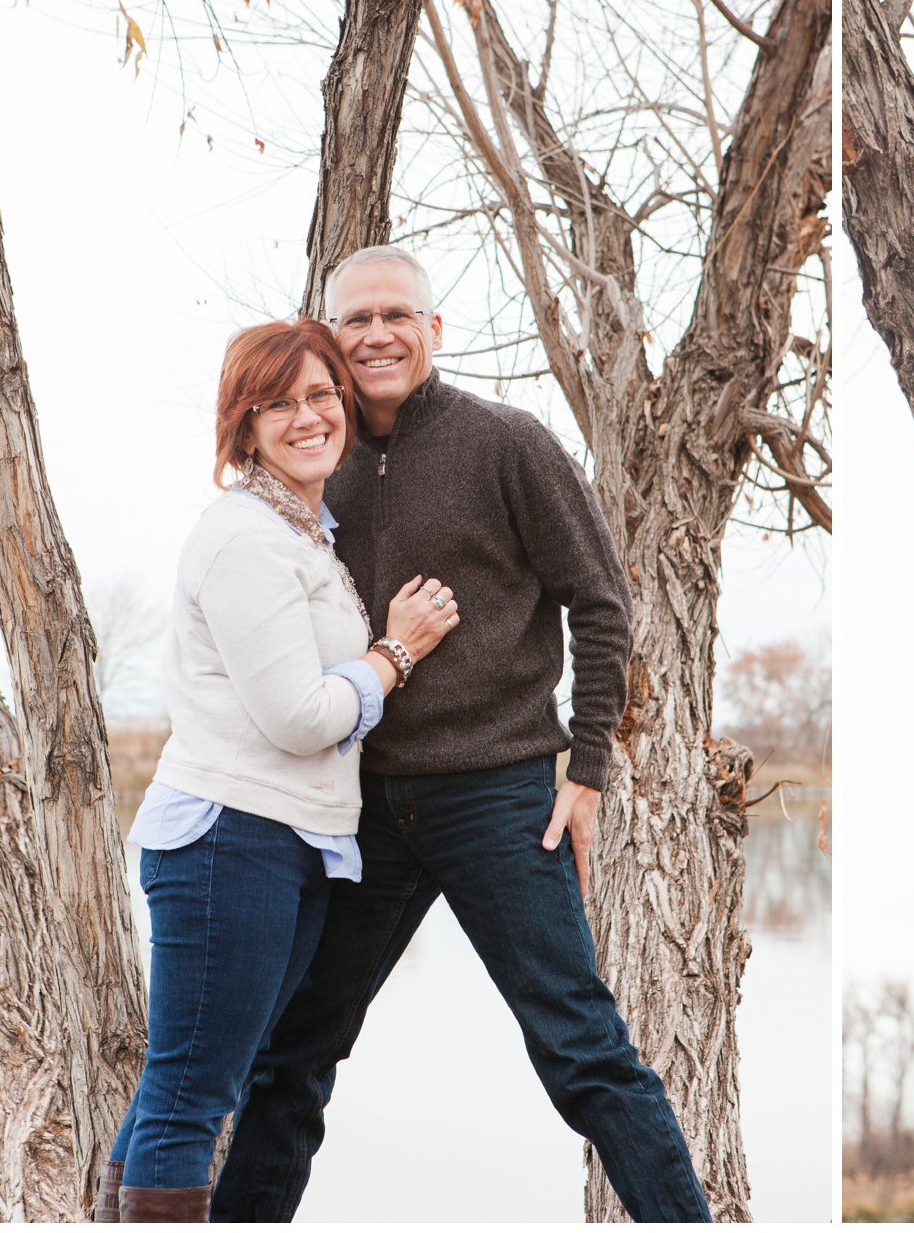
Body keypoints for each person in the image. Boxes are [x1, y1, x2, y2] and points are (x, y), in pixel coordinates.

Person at [211, 245, 712, 1223]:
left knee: (581, 1048)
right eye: (355, 319)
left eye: (397, 315)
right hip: (359, 805)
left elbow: (600, 604)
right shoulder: (319, 457)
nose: (376, 334)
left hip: (499, 793)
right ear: (332, 335)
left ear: (434, 330)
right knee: (292, 1053)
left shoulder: (508, 442)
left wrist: (588, 766)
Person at [101, 320, 459, 1222]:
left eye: (321, 395)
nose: (308, 417)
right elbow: (300, 717)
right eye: (279, 403)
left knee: (184, 1083)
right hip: (231, 836)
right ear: (244, 424)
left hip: (286, 841)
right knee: (192, 1096)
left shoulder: (303, 535)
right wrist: (395, 653)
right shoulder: (244, 538)